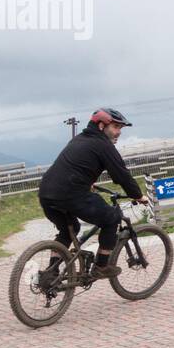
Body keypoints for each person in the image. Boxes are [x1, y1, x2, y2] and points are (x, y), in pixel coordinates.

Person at [38, 108, 148, 280]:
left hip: (47, 192)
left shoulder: (79, 139)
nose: (118, 132)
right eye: (116, 127)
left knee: (69, 230)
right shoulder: (103, 145)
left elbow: (74, 165)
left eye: (120, 128)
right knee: (111, 218)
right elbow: (121, 174)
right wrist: (138, 195)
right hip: (70, 192)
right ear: (102, 125)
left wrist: (88, 182)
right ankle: (101, 266)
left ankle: (51, 273)